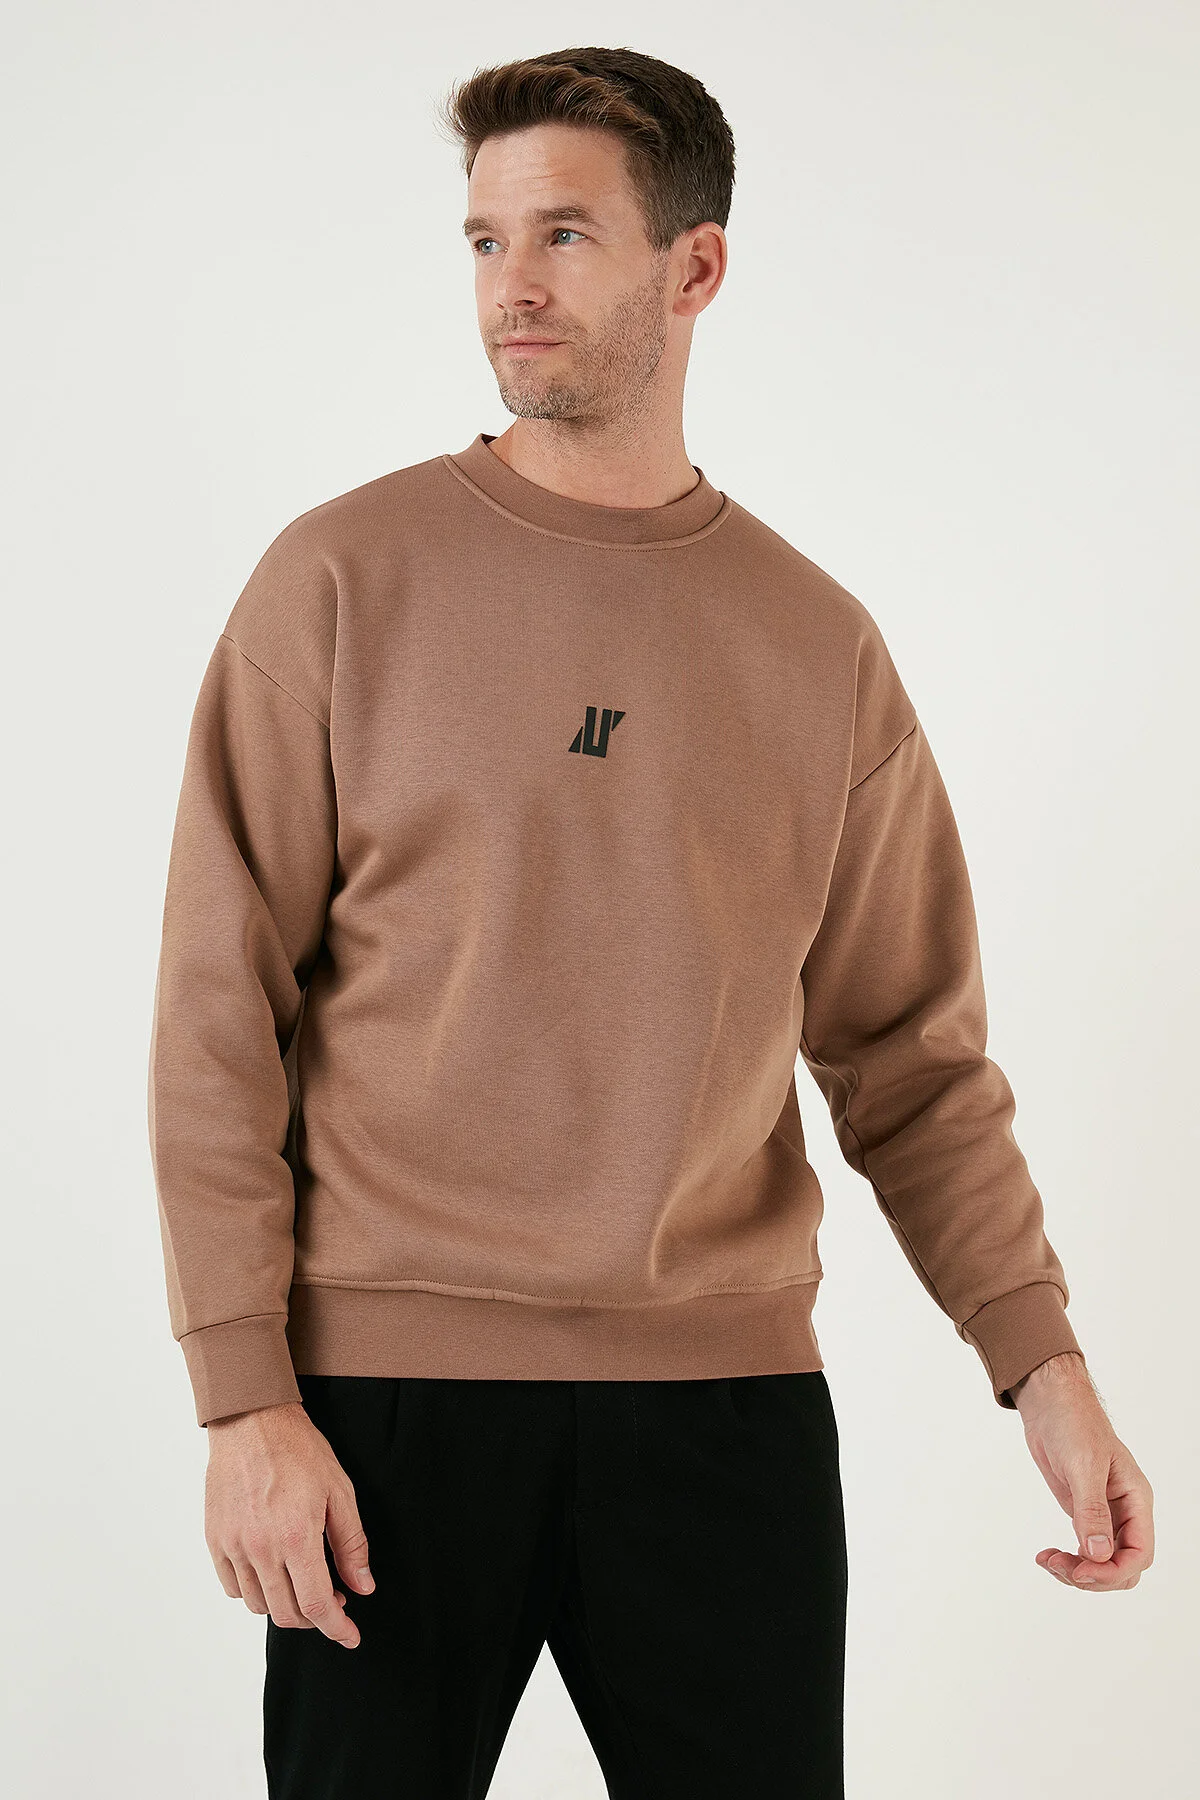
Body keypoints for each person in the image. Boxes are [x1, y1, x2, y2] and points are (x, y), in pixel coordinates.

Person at [146, 44, 1154, 1800]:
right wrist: (244, 1401)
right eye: (482, 241)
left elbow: (911, 1059)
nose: (511, 287)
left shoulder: (815, 646)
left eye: (563, 235)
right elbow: (217, 1017)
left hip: (722, 1415)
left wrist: (1043, 1366)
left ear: (695, 269)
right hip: (385, 1408)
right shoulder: (338, 584)